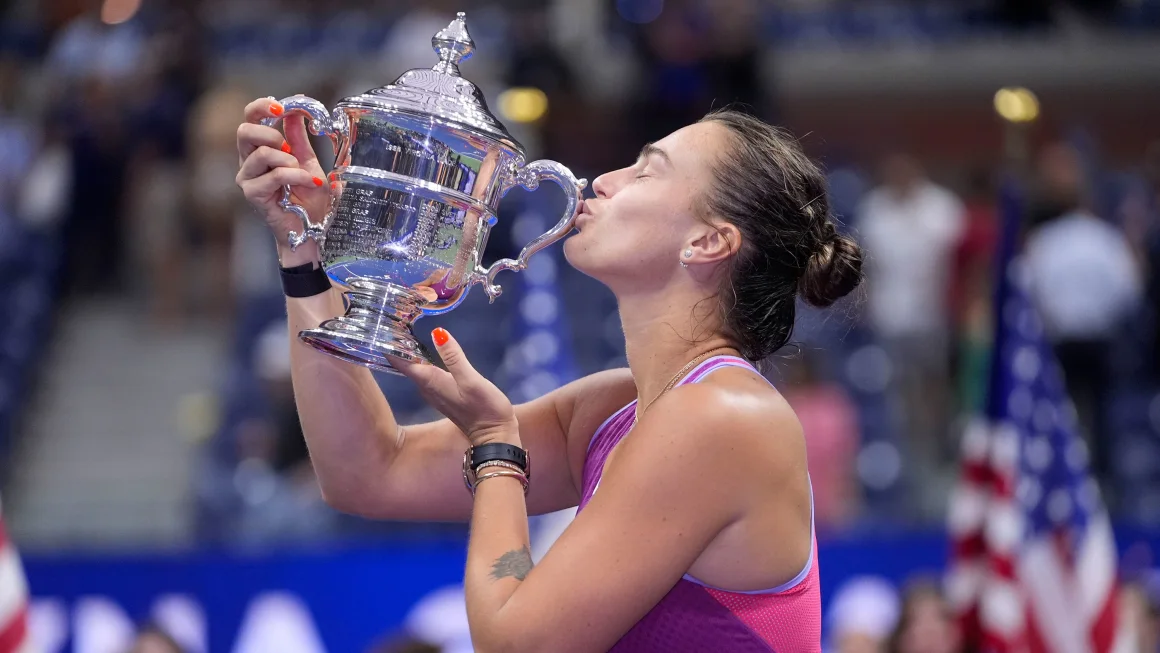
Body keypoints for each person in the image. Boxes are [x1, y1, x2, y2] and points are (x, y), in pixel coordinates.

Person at [236, 100, 863, 651]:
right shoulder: (616, 409)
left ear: (708, 242)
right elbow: (366, 472)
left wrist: (496, 447)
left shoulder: (722, 416)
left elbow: (515, 644)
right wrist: (304, 246)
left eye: (646, 171)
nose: (606, 180)